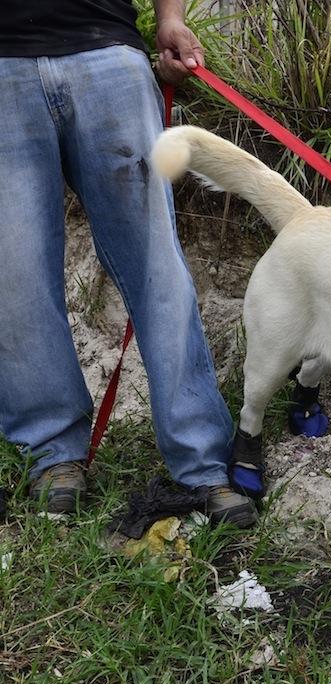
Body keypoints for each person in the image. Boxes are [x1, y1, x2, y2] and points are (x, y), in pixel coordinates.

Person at [0, 1, 257, 527]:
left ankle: (202, 464)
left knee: (156, 267)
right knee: (14, 277)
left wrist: (169, 20)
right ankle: (53, 455)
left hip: (107, 54)